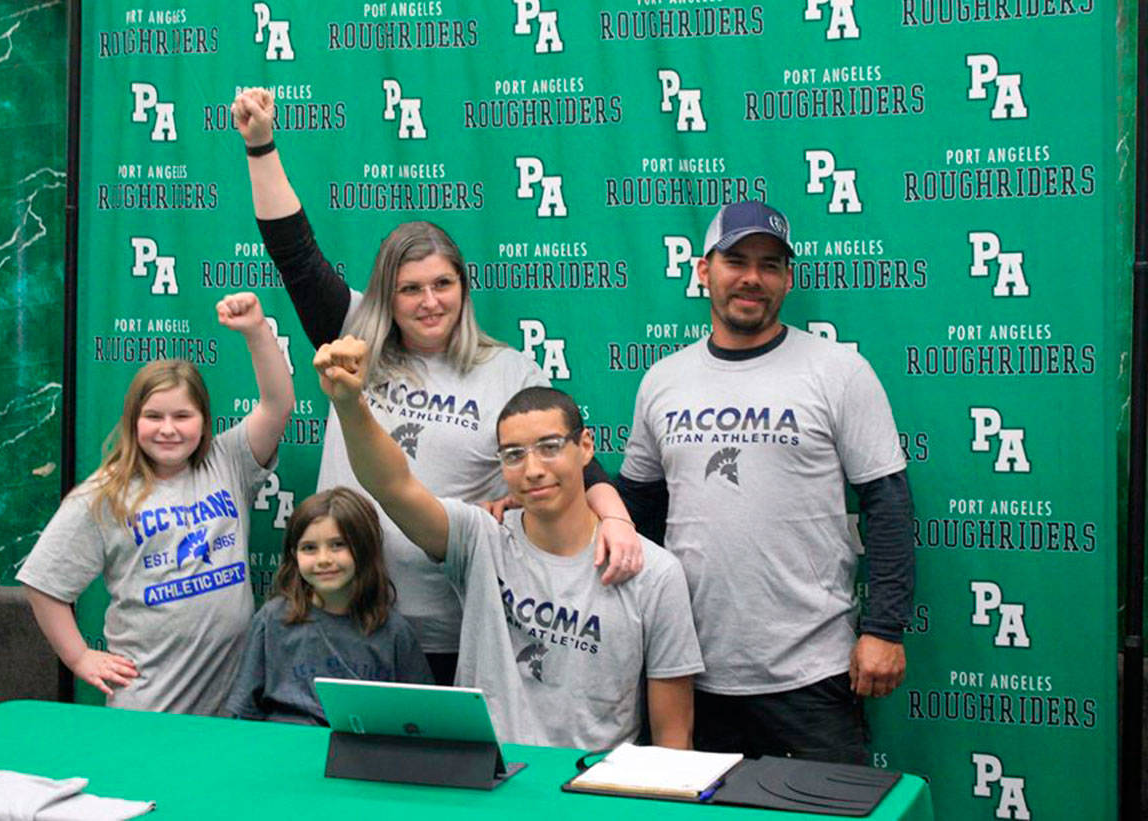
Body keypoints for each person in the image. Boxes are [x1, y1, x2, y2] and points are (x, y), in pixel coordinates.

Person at [230, 87, 641, 684]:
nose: (429, 302)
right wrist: (261, 144)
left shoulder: (509, 372)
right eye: (410, 289)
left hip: (456, 629)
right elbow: (293, 250)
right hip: (347, 617)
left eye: (443, 284)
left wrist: (619, 525)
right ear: (385, 297)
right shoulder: (352, 340)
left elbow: (583, 470)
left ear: (464, 288)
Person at [616, 199, 915, 763]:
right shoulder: (663, 381)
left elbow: (888, 503)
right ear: (703, 270)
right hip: (690, 673)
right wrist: (539, 508)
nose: (753, 278)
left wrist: (885, 628)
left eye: (771, 264)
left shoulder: (838, 371)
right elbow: (633, 509)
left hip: (814, 674)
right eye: (737, 260)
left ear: (787, 278)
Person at [312, 335, 703, 750]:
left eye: (549, 448)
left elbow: (673, 739)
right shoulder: (480, 538)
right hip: (483, 780)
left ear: (585, 447)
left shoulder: (654, 574)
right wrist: (351, 406)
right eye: (514, 455)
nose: (532, 469)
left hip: (590, 792)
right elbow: (393, 485)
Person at [17, 293, 295, 715]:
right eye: (154, 416)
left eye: (183, 416)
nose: (168, 429)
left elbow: (278, 406)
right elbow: (43, 582)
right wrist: (78, 657)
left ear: (204, 422)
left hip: (233, 697)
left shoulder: (228, 461)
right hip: (151, 701)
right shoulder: (103, 494)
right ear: (134, 421)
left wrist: (257, 330)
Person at [224, 487, 433, 723]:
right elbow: (244, 712)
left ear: (364, 548)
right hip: (286, 751)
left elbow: (420, 719)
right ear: (294, 554)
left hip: (360, 752)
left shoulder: (394, 632)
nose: (324, 559)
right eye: (309, 548)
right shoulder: (271, 620)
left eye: (338, 545)